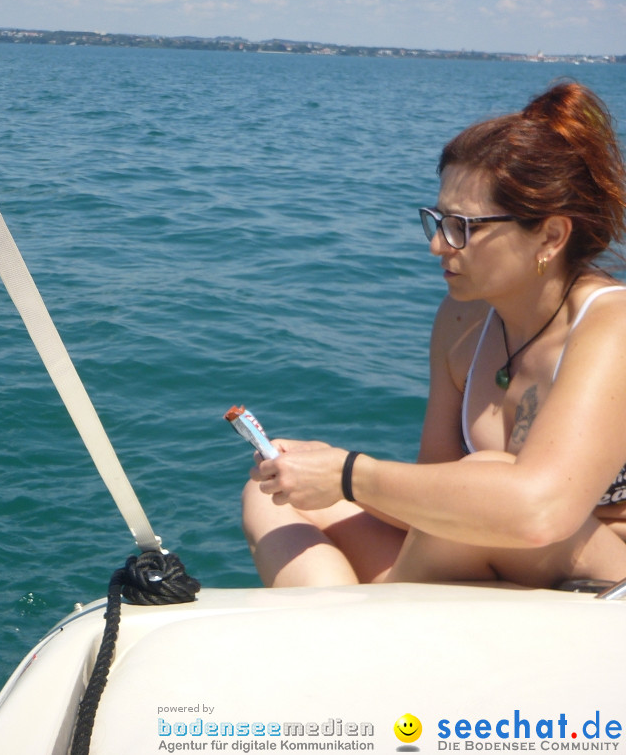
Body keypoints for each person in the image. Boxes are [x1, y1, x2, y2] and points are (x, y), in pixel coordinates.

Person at [241, 81, 626, 589]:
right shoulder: (462, 322)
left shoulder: (610, 326)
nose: (439, 246)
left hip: (601, 577)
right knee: (272, 494)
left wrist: (350, 475)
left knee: (487, 479)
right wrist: (318, 473)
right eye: (438, 221)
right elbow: (430, 500)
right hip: (489, 553)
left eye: (464, 227)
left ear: (551, 236)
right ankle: (344, 628)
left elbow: (540, 510)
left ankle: (365, 627)